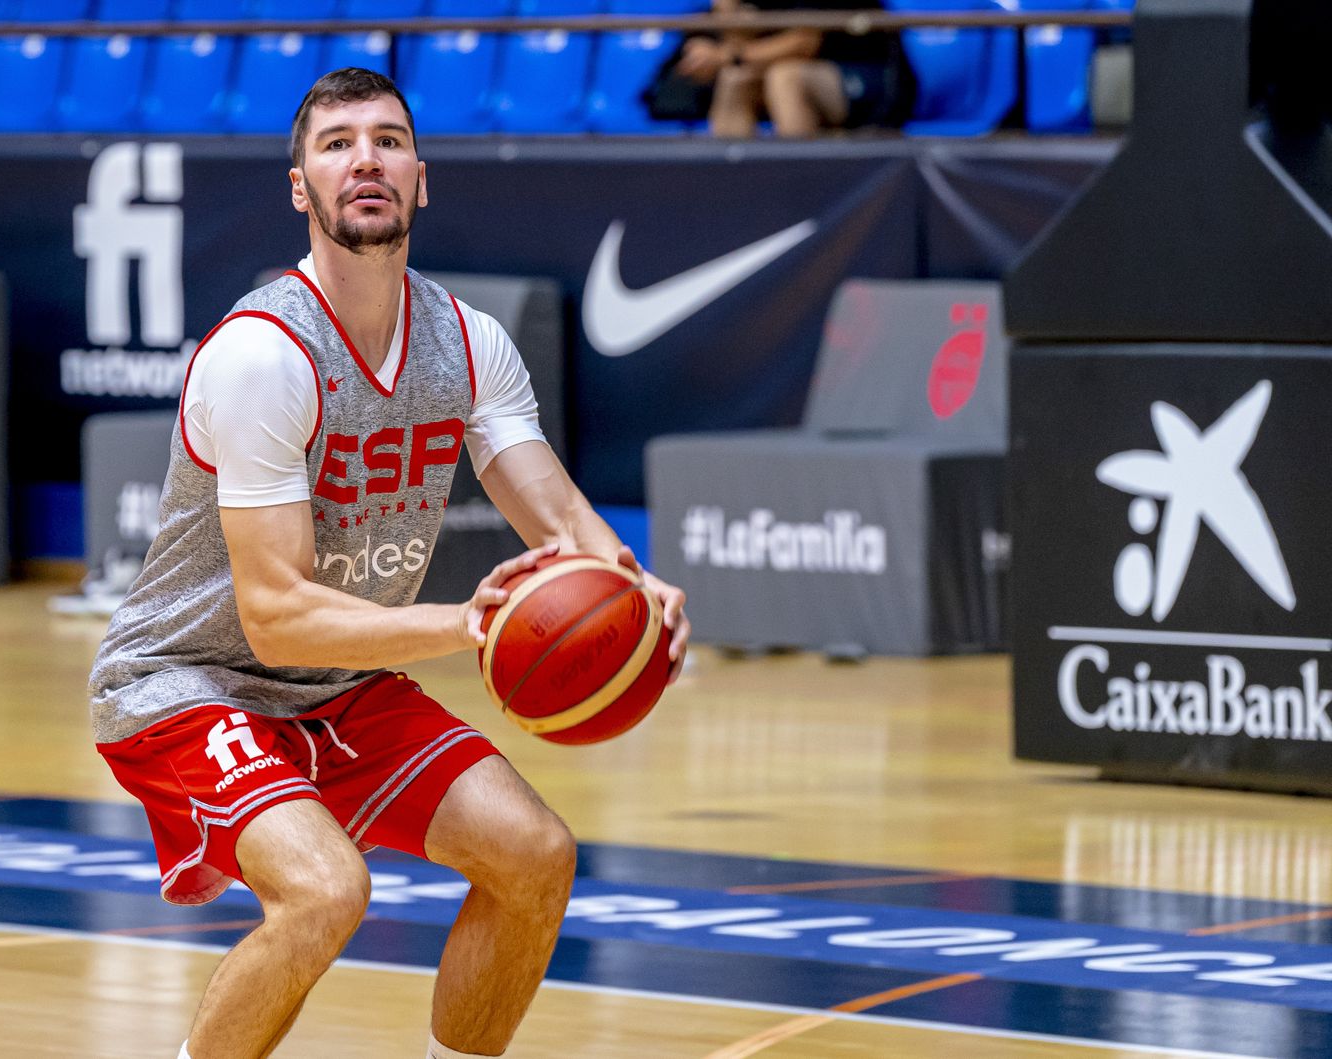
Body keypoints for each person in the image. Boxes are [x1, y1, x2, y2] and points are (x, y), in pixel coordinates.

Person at [88, 67, 690, 1059]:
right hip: (190, 681)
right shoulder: (263, 354)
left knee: (535, 854)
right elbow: (275, 615)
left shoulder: (469, 342)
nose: (364, 159)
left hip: (339, 683)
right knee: (326, 891)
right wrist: (469, 624)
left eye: (388, 140)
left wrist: (632, 584)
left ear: (421, 177)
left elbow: (557, 516)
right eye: (336, 144)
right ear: (301, 188)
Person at [676, 0, 917, 138]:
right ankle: (732, 192)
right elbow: (740, 47)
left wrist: (725, 55)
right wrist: (726, 10)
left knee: (785, 77)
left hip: (871, 78)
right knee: (735, 79)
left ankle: (798, 190)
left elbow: (805, 42)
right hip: (792, 76)